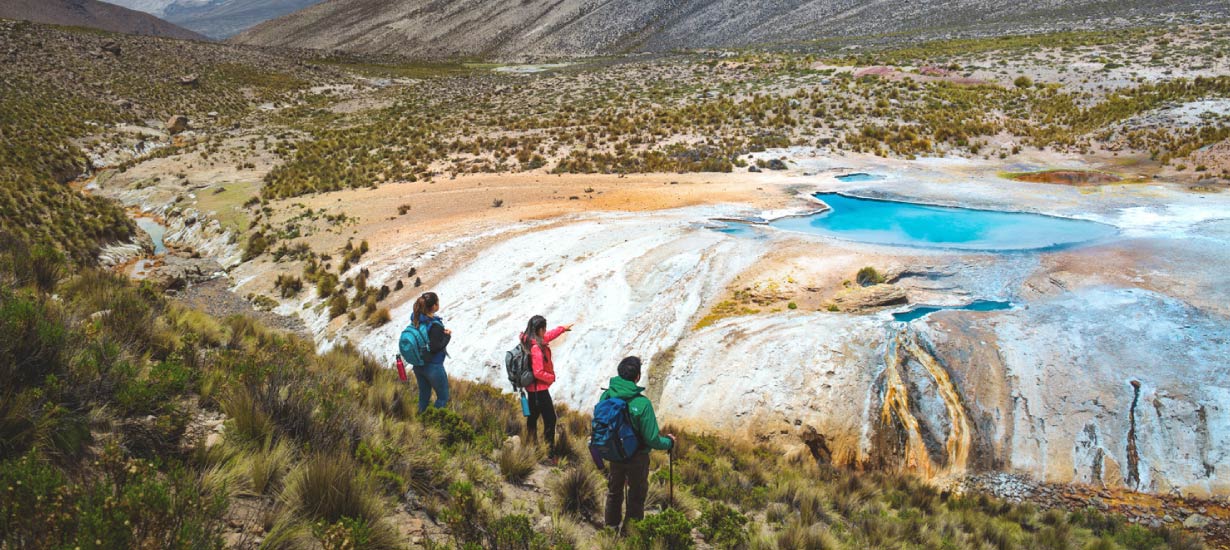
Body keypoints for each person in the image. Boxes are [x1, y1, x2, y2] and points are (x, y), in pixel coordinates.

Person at [601, 356, 675, 531]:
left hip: (614, 453)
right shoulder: (642, 403)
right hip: (637, 457)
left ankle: (610, 528)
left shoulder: (606, 395)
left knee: (614, 490)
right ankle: (630, 533)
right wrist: (669, 442)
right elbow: (652, 439)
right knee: (636, 494)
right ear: (637, 377)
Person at [519, 315, 572, 462]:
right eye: (544, 328)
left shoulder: (530, 340)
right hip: (539, 390)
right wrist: (551, 377)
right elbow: (538, 372)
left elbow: (548, 336)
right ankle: (549, 453)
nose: (546, 331)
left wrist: (562, 329)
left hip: (532, 389)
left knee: (533, 418)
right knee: (550, 419)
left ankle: (532, 446)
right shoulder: (536, 348)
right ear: (539, 330)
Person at [411, 292, 451, 412]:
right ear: (433, 306)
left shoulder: (416, 319)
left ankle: (421, 420)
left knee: (424, 395)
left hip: (418, 364)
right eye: (437, 302)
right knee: (443, 397)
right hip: (433, 366)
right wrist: (447, 337)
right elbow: (435, 347)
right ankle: (437, 421)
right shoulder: (435, 325)